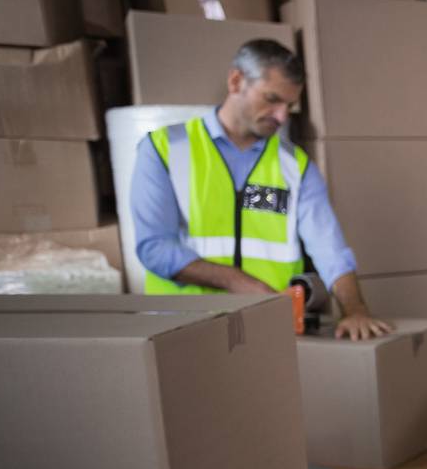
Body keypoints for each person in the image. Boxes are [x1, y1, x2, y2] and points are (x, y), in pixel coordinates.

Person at [131, 39, 390, 340]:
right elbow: (155, 248)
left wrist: (354, 309)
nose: (281, 117)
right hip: (182, 334)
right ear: (236, 81)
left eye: (289, 106)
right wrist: (239, 283)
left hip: (267, 333)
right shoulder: (166, 150)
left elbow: (329, 248)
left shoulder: (294, 167)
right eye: (272, 99)